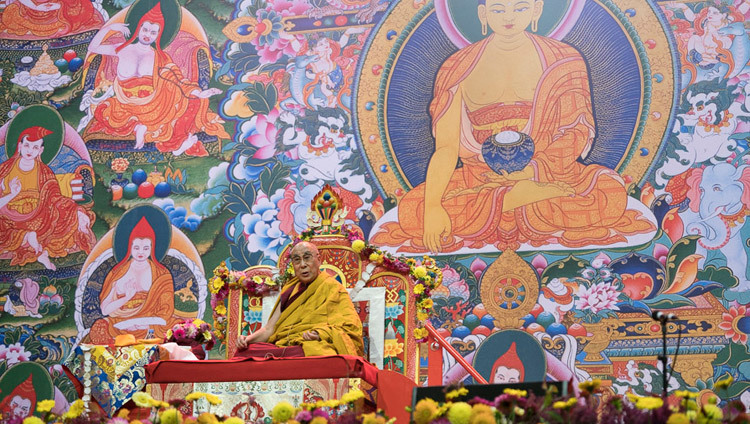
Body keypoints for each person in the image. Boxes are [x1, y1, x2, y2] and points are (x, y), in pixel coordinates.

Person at [372, 0, 654, 253]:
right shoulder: (457, 66)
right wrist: (433, 206)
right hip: (481, 176)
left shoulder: (564, 59)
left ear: (536, 9)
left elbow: (575, 133)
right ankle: (514, 200)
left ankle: (511, 199)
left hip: (546, 173)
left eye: (520, 7)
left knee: (608, 193)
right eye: (498, 9)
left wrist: (532, 171)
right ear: (482, 13)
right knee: (414, 209)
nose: (509, 16)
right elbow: (446, 147)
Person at [84, 2, 228, 156]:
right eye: (145, 29)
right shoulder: (122, 48)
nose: (147, 34)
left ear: (158, 35)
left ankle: (147, 128)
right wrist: (111, 28)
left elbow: (177, 80)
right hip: (125, 102)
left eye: (153, 32)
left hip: (153, 102)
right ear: (138, 29)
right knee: (104, 111)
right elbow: (93, 48)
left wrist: (198, 93)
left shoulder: (160, 57)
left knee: (193, 102)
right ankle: (145, 126)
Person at [236, 241, 364, 357]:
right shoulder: (290, 289)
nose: (303, 265)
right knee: (245, 352)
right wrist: (248, 339)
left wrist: (321, 334)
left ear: (318, 260)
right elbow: (269, 329)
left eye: (307, 258)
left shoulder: (333, 288)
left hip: (310, 345)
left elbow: (350, 329)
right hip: (284, 345)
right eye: (297, 260)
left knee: (319, 352)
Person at [0, 126, 95, 270]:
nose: (30, 150)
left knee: (74, 212)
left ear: (40, 150)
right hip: (12, 216)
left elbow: (54, 198)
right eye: (27, 145)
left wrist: (74, 210)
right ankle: (31, 242)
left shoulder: (44, 171)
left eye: (35, 147)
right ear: (19, 146)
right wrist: (13, 194)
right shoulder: (5, 170)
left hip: (41, 214)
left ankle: (35, 244)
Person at [88, 216, 178, 344]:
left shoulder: (162, 274)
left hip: (152, 324)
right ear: (129, 247)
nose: (141, 252)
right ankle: (114, 359)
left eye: (146, 248)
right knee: (99, 328)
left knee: (180, 326)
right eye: (136, 248)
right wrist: (125, 298)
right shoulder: (117, 273)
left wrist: (147, 324)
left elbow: (166, 309)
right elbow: (105, 310)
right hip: (121, 323)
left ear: (152, 248)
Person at [0, 0, 104, 39]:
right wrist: (35, 7)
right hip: (29, 7)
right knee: (11, 11)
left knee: (81, 6)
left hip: (56, 6)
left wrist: (58, 6)